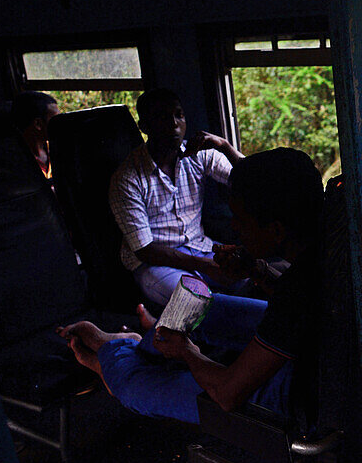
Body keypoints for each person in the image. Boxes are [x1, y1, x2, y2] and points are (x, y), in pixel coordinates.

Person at [59, 148, 324, 424]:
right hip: (308, 342)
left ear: (277, 230)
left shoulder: (297, 296)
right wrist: (256, 270)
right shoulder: (325, 242)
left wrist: (187, 352)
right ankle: (144, 346)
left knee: (134, 386)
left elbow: (226, 393)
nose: (234, 227)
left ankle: (113, 360)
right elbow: (299, 302)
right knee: (207, 307)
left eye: (241, 220)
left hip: (293, 393)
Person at [109, 87, 246, 306]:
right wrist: (203, 265)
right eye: (162, 117)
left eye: (179, 115)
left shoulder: (198, 156)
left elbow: (251, 178)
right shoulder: (127, 178)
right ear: (144, 127)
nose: (174, 124)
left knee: (252, 281)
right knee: (196, 302)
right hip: (155, 263)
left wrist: (225, 146)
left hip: (200, 248)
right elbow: (145, 250)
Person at [11, 91, 60, 179]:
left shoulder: (55, 149)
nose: (60, 125)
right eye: (55, 120)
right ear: (38, 124)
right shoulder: (13, 161)